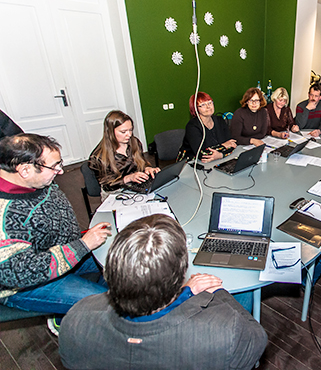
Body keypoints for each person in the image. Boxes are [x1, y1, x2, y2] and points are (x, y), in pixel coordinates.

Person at [59, 214, 267, 369]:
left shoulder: (75, 319)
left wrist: (185, 292)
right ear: (183, 273)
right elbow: (257, 340)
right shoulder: (225, 332)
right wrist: (219, 292)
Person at [0, 134, 110, 334]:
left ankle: (68, 307)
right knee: (107, 303)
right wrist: (83, 245)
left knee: (118, 258)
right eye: (54, 167)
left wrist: (80, 244)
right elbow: (20, 273)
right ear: (24, 170)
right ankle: (65, 317)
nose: (60, 172)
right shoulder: (5, 217)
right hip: (27, 283)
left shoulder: (36, 180)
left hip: (65, 252)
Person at [89, 111, 160, 194]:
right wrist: (128, 178)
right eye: (123, 132)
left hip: (136, 184)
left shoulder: (134, 142)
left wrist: (147, 168)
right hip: (115, 190)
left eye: (130, 130)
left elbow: (142, 162)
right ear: (110, 132)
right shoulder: (98, 156)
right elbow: (107, 185)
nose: (129, 135)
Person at [179, 92, 237, 162]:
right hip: (191, 162)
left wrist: (220, 155)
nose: (208, 106)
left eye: (210, 103)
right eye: (203, 105)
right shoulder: (192, 126)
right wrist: (224, 146)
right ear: (195, 109)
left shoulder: (220, 120)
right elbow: (202, 154)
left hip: (216, 159)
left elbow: (232, 143)